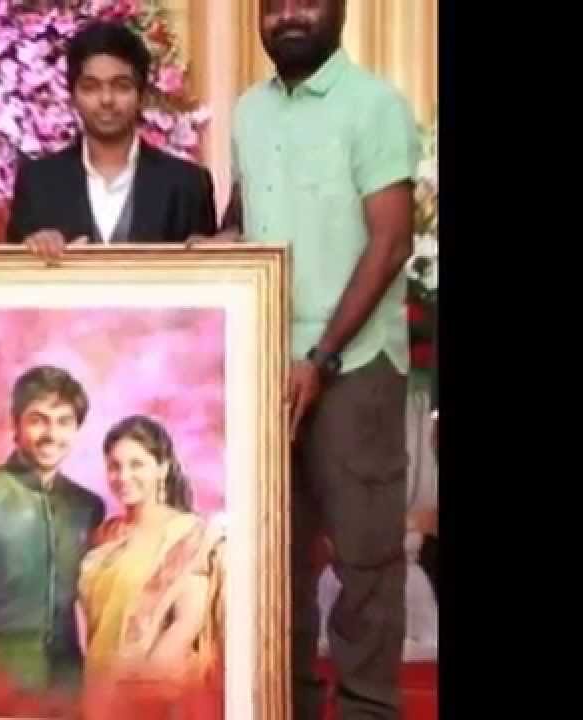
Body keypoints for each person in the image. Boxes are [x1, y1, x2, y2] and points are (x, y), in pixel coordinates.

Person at [221, 1, 420, 717]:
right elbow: (244, 218)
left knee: (365, 559)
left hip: (352, 365)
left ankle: (368, 707)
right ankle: (289, 703)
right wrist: (215, 249)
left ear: (338, 10)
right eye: (273, 6)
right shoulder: (249, 112)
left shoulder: (374, 106)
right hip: (264, 366)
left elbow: (390, 242)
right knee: (275, 557)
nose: (289, 17)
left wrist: (321, 356)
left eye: (305, 1)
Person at [0, 366, 105, 699]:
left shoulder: (88, 507)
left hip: (68, 685)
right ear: (16, 425)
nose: (52, 433)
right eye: (38, 420)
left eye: (64, 422)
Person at [6, 20, 217, 259]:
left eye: (121, 86)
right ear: (72, 96)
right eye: (91, 87)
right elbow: (13, 274)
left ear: (142, 94)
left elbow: (207, 273)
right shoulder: (38, 183)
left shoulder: (187, 185)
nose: (106, 99)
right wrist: (34, 249)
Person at [78, 415, 225, 720]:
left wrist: (140, 695)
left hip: (152, 697)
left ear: (163, 468)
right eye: (114, 466)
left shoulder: (187, 534)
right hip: (98, 690)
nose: (123, 476)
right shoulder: (106, 535)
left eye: (136, 464)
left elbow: (186, 622)